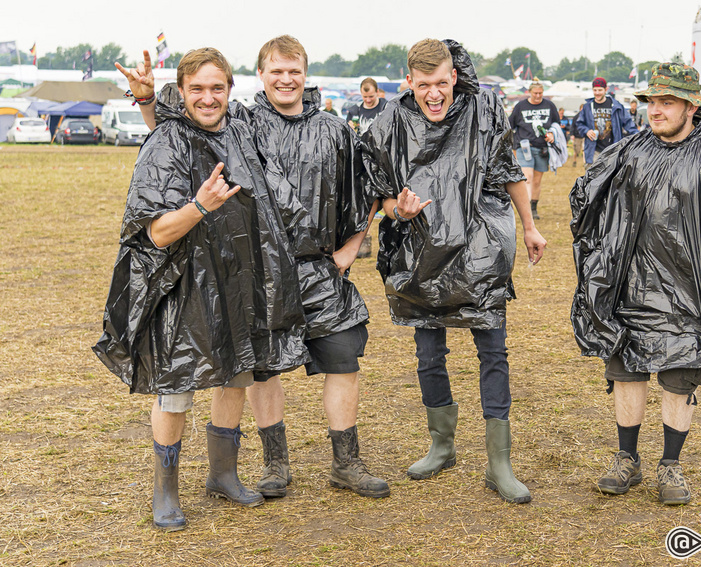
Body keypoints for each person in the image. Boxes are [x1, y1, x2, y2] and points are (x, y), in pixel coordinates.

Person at [126, 38, 388, 500]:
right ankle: (274, 463)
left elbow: (365, 188)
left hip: (318, 269)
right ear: (260, 76)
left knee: (344, 357)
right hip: (258, 271)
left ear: (306, 74)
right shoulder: (243, 122)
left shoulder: (334, 128)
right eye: (276, 71)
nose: (285, 80)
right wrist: (148, 101)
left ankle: (346, 462)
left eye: (294, 71)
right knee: (260, 368)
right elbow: (182, 131)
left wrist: (351, 249)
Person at [96, 48, 309, 530]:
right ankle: (165, 490)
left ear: (231, 90)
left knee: (234, 375)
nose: (208, 98)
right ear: (183, 91)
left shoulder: (240, 131)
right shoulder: (166, 142)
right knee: (175, 388)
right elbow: (153, 232)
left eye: (217, 88)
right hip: (182, 287)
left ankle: (223, 474)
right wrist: (199, 205)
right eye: (197, 89)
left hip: (236, 280)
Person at [361, 39, 547, 504]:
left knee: (493, 352)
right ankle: (441, 444)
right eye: (424, 85)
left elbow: (509, 171)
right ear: (409, 82)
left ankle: (499, 463)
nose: (434, 94)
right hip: (420, 253)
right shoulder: (390, 122)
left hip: (481, 249)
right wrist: (396, 210)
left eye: (442, 83)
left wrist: (529, 226)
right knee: (429, 355)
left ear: (454, 78)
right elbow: (380, 193)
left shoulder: (483, 110)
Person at [570, 63, 701, 506]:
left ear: (691, 107)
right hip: (630, 285)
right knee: (627, 369)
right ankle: (626, 459)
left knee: (680, 375)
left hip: (689, 291)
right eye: (651, 101)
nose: (655, 110)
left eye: (666, 102)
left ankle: (670, 465)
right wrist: (601, 266)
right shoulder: (629, 150)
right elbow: (586, 200)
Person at [509, 80, 560, 219]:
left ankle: (534, 207)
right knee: (528, 178)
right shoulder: (521, 106)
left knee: (537, 181)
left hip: (542, 148)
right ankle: (527, 212)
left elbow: (556, 124)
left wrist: (552, 134)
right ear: (529, 92)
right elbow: (510, 125)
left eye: (540, 93)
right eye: (535, 93)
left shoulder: (549, 106)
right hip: (524, 147)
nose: (538, 96)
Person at [575, 77, 637, 165]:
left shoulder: (616, 106)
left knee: (611, 178)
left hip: (613, 150)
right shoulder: (587, 107)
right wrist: (587, 131)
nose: (597, 93)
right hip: (593, 150)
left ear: (606, 89)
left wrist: (639, 137)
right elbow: (579, 124)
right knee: (593, 177)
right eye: (595, 90)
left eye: (600, 90)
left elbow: (629, 124)